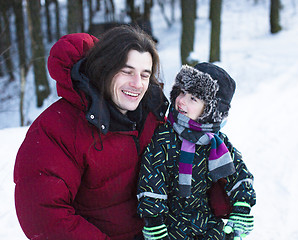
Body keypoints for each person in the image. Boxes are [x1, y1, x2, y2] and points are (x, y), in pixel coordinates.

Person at [14, 25, 169, 240]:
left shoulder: (154, 115)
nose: (137, 84)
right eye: (126, 71)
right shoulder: (56, 128)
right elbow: (44, 215)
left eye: (145, 75)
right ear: (105, 69)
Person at [137, 63, 256, 240]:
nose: (182, 100)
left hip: (207, 222)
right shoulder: (164, 137)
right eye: (182, 92)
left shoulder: (217, 143)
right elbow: (151, 178)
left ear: (211, 110)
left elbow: (239, 174)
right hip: (171, 224)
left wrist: (241, 207)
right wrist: (154, 220)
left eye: (193, 98)